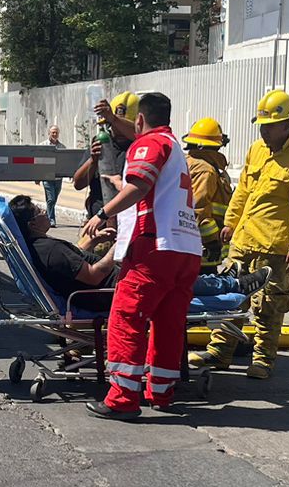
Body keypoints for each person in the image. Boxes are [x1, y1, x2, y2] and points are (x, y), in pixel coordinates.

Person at [79, 92, 203, 420]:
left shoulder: (149, 144)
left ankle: (122, 399)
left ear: (140, 119)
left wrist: (102, 213)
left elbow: (140, 187)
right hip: (186, 248)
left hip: (155, 245)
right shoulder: (173, 146)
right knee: (168, 323)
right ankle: (161, 393)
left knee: (126, 318)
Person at [189, 90, 289, 381]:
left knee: (268, 305)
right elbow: (243, 191)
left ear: (287, 124)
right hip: (244, 241)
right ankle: (220, 352)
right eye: (262, 125)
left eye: (270, 125)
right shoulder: (256, 150)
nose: (264, 131)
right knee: (230, 298)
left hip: (274, 245)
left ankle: (263, 359)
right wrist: (230, 222)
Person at [9, 193, 271, 319]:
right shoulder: (50, 251)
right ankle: (234, 287)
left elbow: (75, 261)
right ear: (32, 224)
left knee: (166, 272)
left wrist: (94, 240)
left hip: (110, 284)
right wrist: (117, 248)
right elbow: (92, 276)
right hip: (108, 291)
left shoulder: (42, 247)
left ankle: (225, 282)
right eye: (39, 211)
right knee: (168, 279)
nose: (44, 212)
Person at [182, 117, 233, 266]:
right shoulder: (205, 170)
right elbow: (198, 210)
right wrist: (212, 242)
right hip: (203, 250)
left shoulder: (187, 163)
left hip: (188, 244)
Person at [40, 125, 64, 222]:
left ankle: (47, 214)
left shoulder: (62, 147)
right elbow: (38, 162)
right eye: (53, 132)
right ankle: (51, 219)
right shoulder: (42, 146)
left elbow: (65, 162)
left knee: (54, 199)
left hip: (58, 178)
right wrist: (37, 176)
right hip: (47, 177)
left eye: (56, 132)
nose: (54, 134)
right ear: (49, 133)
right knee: (51, 199)